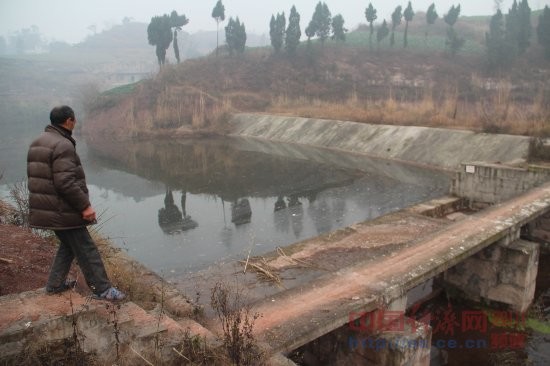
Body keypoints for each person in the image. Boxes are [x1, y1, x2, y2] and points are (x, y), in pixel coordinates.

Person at [27, 105, 125, 301]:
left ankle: (54, 285)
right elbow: (65, 182)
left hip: (48, 209)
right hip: (62, 210)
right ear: (69, 121)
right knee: (87, 249)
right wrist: (85, 206)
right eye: (74, 120)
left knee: (69, 246)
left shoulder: (38, 141)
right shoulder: (63, 144)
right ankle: (103, 290)